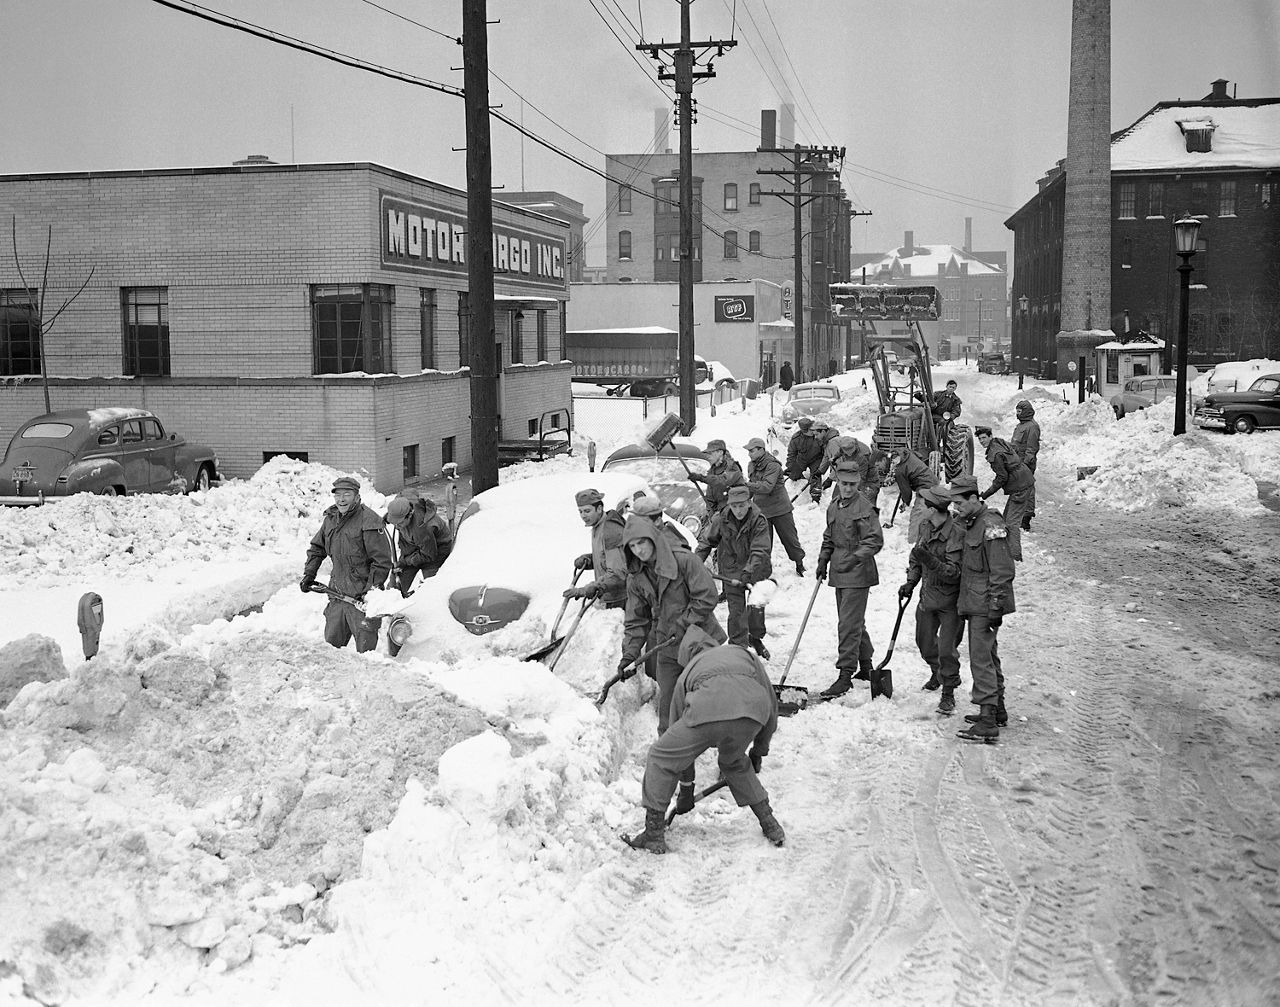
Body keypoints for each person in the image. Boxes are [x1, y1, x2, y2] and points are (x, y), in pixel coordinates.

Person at [622, 633, 783, 854]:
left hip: (707, 709)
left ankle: (653, 834)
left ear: (687, 656)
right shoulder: (743, 653)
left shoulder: (688, 672)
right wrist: (758, 751)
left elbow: (678, 748)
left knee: (661, 757)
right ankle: (770, 824)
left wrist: (687, 789)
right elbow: (772, 705)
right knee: (734, 762)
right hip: (754, 711)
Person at [618, 514, 727, 744]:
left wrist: (683, 624)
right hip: (667, 648)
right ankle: (670, 761)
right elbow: (636, 620)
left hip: (701, 642)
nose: (638, 550)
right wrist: (629, 654)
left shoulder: (684, 560)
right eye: (633, 546)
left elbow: (707, 596)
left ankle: (731, 758)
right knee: (668, 709)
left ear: (653, 538)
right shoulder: (636, 578)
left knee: (715, 704)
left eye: (642, 542)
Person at [948, 474, 1016, 742]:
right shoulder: (973, 523)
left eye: (960, 504)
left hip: (986, 603)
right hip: (975, 601)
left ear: (975, 499)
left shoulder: (991, 525)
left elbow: (1002, 570)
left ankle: (987, 718)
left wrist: (996, 606)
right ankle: (997, 708)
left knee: (980, 657)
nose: (957, 509)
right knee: (989, 654)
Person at [816, 460, 885, 699]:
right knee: (854, 621)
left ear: (857, 484)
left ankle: (845, 675)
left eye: (852, 485)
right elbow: (829, 536)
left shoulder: (863, 508)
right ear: (838, 482)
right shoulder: (834, 506)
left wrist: (854, 558)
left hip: (858, 574)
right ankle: (865, 666)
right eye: (843, 484)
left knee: (847, 624)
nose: (847, 488)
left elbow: (875, 541)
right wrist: (823, 558)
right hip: (838, 573)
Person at [301, 476, 393, 652]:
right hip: (336, 595)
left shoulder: (369, 521)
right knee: (331, 651)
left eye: (347, 494)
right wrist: (309, 574)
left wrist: (370, 592)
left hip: (361, 601)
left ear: (357, 496)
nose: (341, 499)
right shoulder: (331, 519)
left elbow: (381, 562)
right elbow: (317, 548)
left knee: (366, 655)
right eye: (338, 495)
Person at [900, 485, 964, 713]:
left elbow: (954, 572)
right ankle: (938, 672)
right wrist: (910, 581)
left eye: (923, 504)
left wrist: (930, 561)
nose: (920, 507)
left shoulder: (956, 532)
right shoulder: (925, 526)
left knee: (947, 649)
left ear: (934, 508)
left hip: (950, 602)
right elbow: (916, 558)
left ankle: (948, 692)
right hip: (927, 597)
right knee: (925, 644)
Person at [696, 485, 772, 647]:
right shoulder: (721, 519)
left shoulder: (759, 521)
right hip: (731, 571)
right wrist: (695, 562)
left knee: (756, 612)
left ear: (749, 503)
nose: (738, 511)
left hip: (757, 570)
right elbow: (706, 542)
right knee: (737, 614)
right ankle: (739, 647)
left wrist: (748, 571)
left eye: (742, 506)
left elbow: (760, 549)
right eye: (734, 506)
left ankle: (755, 637)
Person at [744, 437, 806, 576]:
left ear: (761, 450)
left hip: (780, 509)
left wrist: (746, 485)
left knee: (790, 540)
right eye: (749, 451)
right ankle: (764, 571)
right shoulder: (751, 465)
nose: (749, 454)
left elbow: (767, 487)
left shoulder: (773, 465)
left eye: (752, 451)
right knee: (763, 543)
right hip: (762, 510)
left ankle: (799, 564)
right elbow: (752, 486)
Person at [975, 426, 1034, 562]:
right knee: (1006, 519)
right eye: (979, 439)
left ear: (990, 436)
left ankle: (1015, 557)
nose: (982, 441)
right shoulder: (999, 442)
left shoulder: (995, 454)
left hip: (1020, 487)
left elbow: (1002, 478)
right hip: (1023, 479)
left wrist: (985, 495)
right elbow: (1016, 449)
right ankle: (1008, 552)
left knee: (1012, 524)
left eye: (984, 437)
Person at [563, 488, 627, 609]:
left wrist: (588, 589)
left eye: (587, 511)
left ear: (599, 508)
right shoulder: (598, 526)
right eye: (580, 511)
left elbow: (618, 573)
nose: (583, 516)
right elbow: (607, 557)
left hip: (621, 599)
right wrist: (590, 560)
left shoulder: (611, 530)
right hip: (609, 595)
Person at [384, 491, 453, 596]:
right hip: (415, 543)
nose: (397, 527)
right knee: (399, 572)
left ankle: (428, 601)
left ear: (410, 515)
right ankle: (391, 597)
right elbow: (409, 493)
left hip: (437, 550)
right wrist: (403, 562)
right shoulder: (403, 509)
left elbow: (429, 555)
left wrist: (408, 560)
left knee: (432, 586)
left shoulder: (424, 527)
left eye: (399, 523)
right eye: (394, 523)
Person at [893, 447, 940, 544]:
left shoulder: (900, 470)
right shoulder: (908, 454)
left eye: (894, 460)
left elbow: (906, 491)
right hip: (933, 481)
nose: (893, 462)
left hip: (925, 488)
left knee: (917, 515)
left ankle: (913, 543)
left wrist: (905, 502)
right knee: (930, 511)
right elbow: (920, 455)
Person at [688, 438, 744, 519]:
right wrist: (711, 513)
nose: (708, 456)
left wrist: (701, 478)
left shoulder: (732, 467)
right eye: (707, 454)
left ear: (720, 452)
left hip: (735, 514)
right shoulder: (713, 470)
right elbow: (710, 496)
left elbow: (722, 481)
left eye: (711, 453)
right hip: (719, 517)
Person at [1010, 400, 1041, 532]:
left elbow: (1032, 448)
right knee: (1018, 489)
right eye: (1017, 411)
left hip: (1025, 463)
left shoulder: (1032, 426)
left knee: (1027, 489)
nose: (1017, 414)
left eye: (1020, 411)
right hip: (1017, 461)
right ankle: (1019, 516)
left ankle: (1026, 518)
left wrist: (1026, 464)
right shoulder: (1020, 426)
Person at [785, 416, 826, 503]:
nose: (813, 432)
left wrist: (823, 465)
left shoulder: (818, 436)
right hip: (802, 459)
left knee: (816, 475)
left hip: (816, 458)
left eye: (813, 429)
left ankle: (816, 497)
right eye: (810, 430)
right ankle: (798, 478)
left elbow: (826, 450)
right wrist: (790, 466)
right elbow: (791, 454)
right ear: (804, 431)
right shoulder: (796, 438)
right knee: (794, 475)